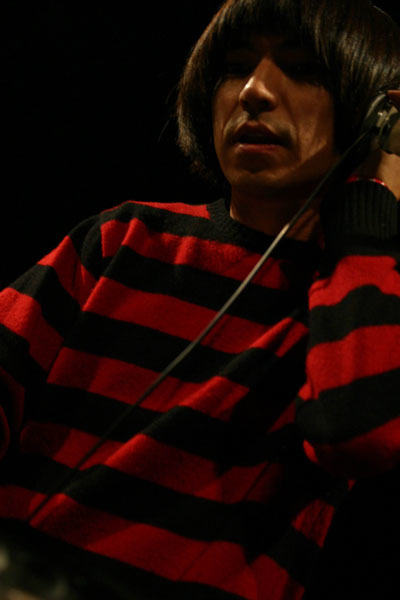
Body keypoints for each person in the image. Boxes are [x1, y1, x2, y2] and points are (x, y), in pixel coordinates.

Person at [0, 0, 400, 598]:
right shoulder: (123, 238)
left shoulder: (366, 296)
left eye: (303, 70)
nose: (255, 92)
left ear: (374, 117)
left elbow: (359, 435)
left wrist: (372, 204)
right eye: (235, 68)